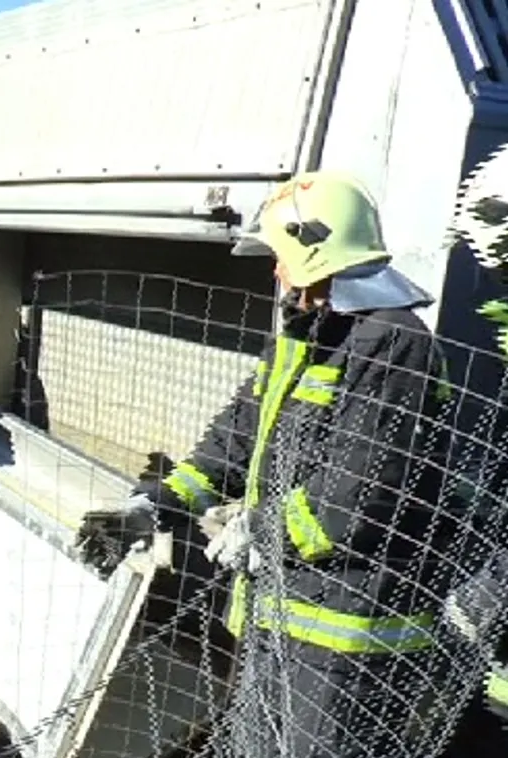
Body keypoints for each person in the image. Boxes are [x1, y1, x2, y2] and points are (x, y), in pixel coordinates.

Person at [77, 171, 460, 758]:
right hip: (280, 615)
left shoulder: (393, 341)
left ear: (316, 255)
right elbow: (235, 441)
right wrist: (154, 506)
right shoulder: (306, 338)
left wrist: (260, 530)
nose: (274, 271)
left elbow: (355, 499)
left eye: (281, 256)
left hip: (350, 637)